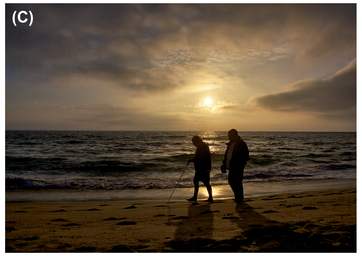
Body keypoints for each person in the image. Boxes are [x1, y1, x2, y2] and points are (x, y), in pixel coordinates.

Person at [221, 129, 249, 203]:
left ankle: (239, 197)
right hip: (231, 166)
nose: (228, 137)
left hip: (238, 166)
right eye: (228, 136)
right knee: (231, 181)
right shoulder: (230, 144)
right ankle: (238, 196)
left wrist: (241, 164)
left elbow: (246, 156)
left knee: (237, 182)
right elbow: (227, 155)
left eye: (230, 136)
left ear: (235, 135)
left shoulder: (241, 144)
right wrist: (224, 164)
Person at [187, 135, 213, 202]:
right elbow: (198, 157)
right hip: (202, 168)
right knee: (199, 181)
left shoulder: (202, 147)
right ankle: (197, 197)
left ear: (196, 141)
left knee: (204, 182)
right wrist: (192, 160)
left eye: (193, 142)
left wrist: (193, 160)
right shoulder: (202, 146)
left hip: (203, 168)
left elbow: (201, 158)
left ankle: (209, 197)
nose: (193, 144)